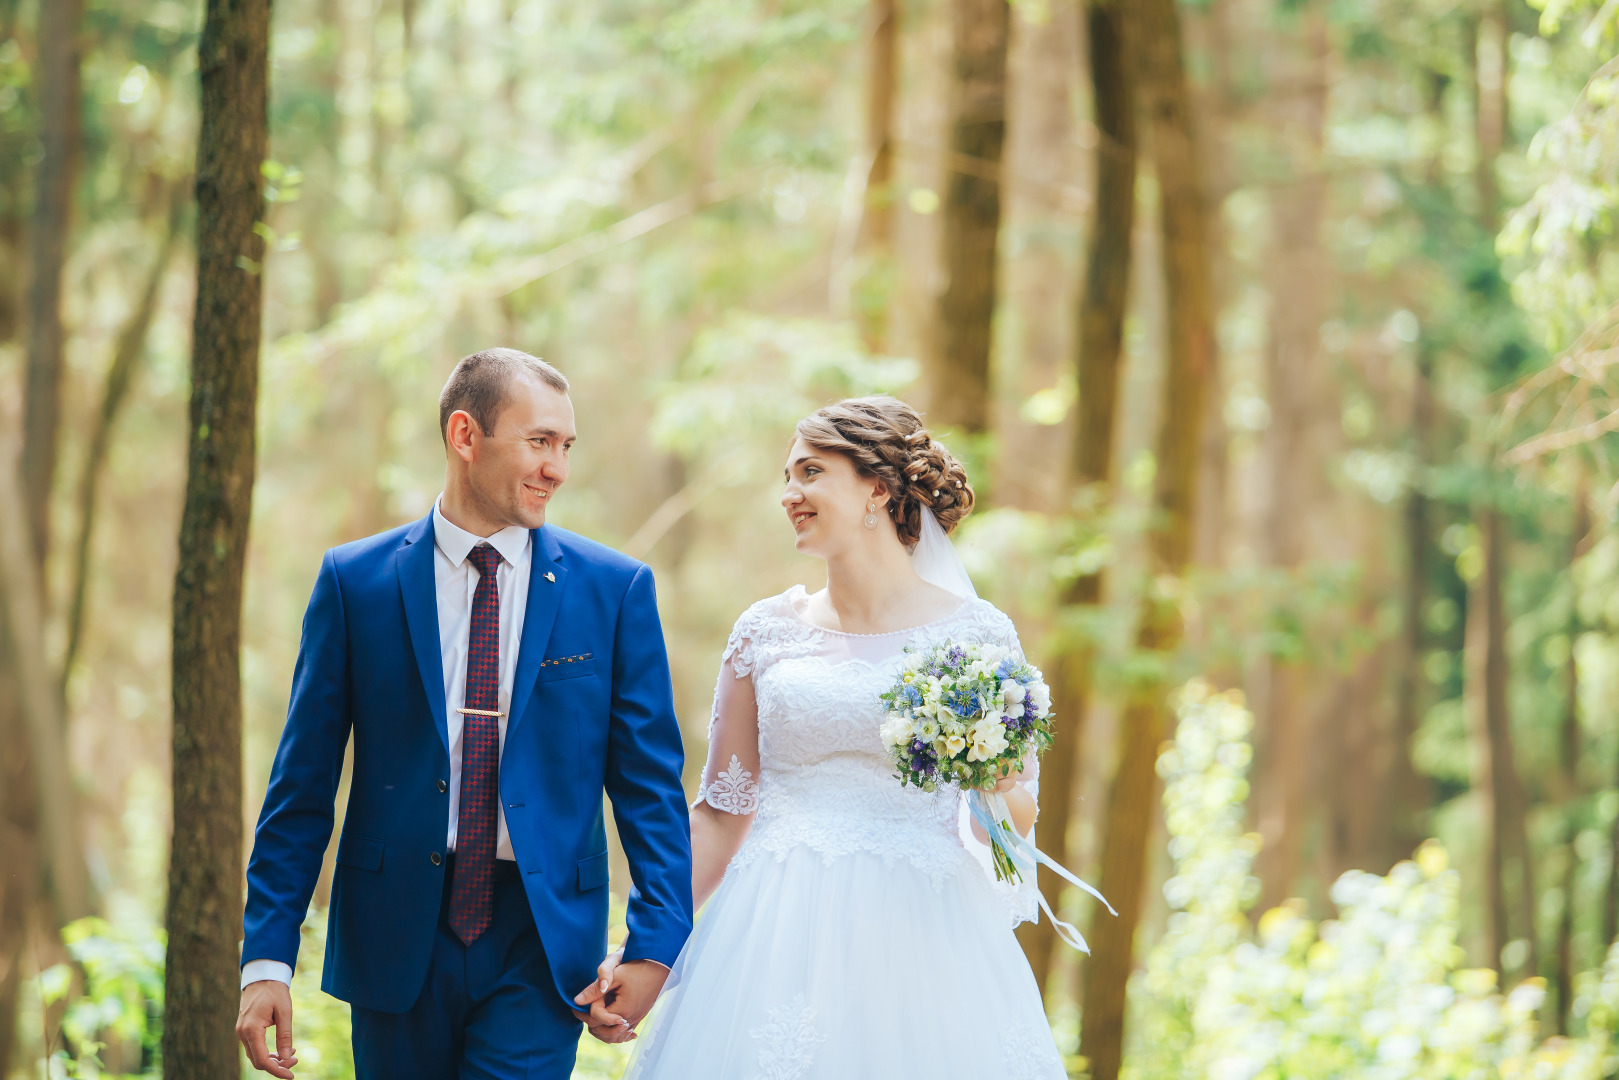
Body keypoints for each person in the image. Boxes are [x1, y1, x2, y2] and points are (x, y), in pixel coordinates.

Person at [235, 348, 693, 1079]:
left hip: (540, 941)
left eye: (566, 446)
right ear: (464, 435)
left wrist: (654, 943)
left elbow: (648, 788)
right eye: (538, 442)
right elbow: (301, 786)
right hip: (393, 933)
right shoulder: (356, 584)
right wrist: (266, 959)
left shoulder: (614, 590)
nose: (557, 468)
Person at [585, 396, 1069, 1078]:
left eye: (810, 473)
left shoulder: (976, 637)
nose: (789, 494)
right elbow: (720, 816)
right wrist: (645, 951)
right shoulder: (764, 632)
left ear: (876, 487)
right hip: (773, 931)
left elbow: (1016, 823)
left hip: (924, 935)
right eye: (787, 477)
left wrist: (990, 782)